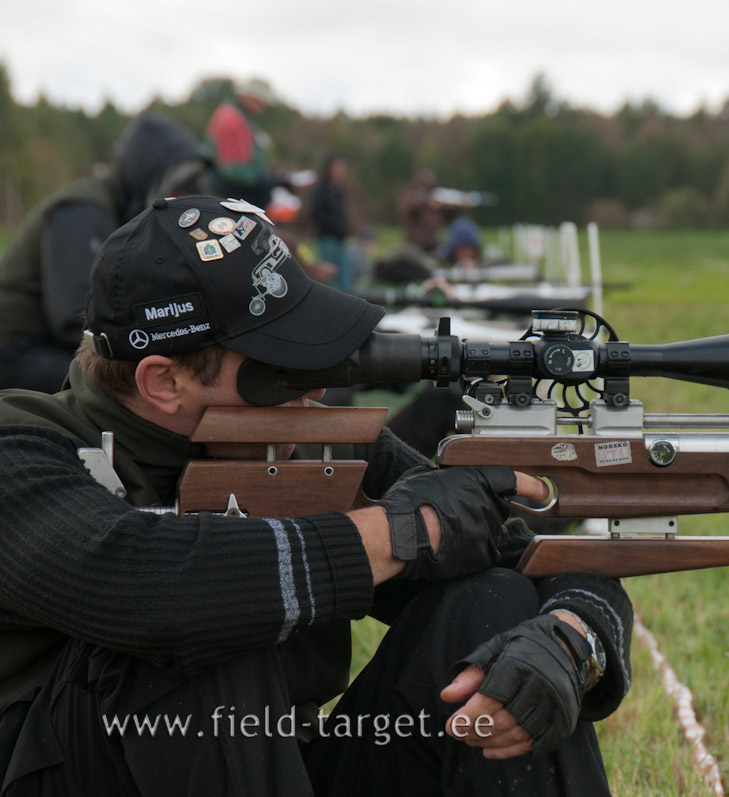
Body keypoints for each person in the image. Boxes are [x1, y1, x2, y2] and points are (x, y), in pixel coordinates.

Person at [0, 195, 632, 795]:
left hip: (267, 765)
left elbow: (538, 559)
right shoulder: (20, 451)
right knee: (207, 618)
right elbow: (150, 585)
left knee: (495, 603)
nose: (315, 394)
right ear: (163, 381)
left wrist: (574, 638)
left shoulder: (306, 441)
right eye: (278, 371)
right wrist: (405, 532)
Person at [0, 112, 209, 392]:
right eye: (175, 184)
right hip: (20, 350)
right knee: (137, 393)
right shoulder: (84, 211)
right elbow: (76, 316)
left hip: (50, 347)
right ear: (148, 175)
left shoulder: (122, 215)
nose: (178, 196)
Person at [205, 78, 290, 209]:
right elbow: (237, 171)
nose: (265, 107)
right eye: (262, 102)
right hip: (229, 196)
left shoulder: (234, 115)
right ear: (248, 97)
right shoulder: (233, 120)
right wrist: (272, 181)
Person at [311, 154, 352, 292]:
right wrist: (332, 226)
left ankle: (347, 298)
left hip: (340, 237)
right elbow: (318, 212)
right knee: (327, 273)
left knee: (344, 272)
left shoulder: (338, 189)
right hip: (327, 236)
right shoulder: (322, 189)